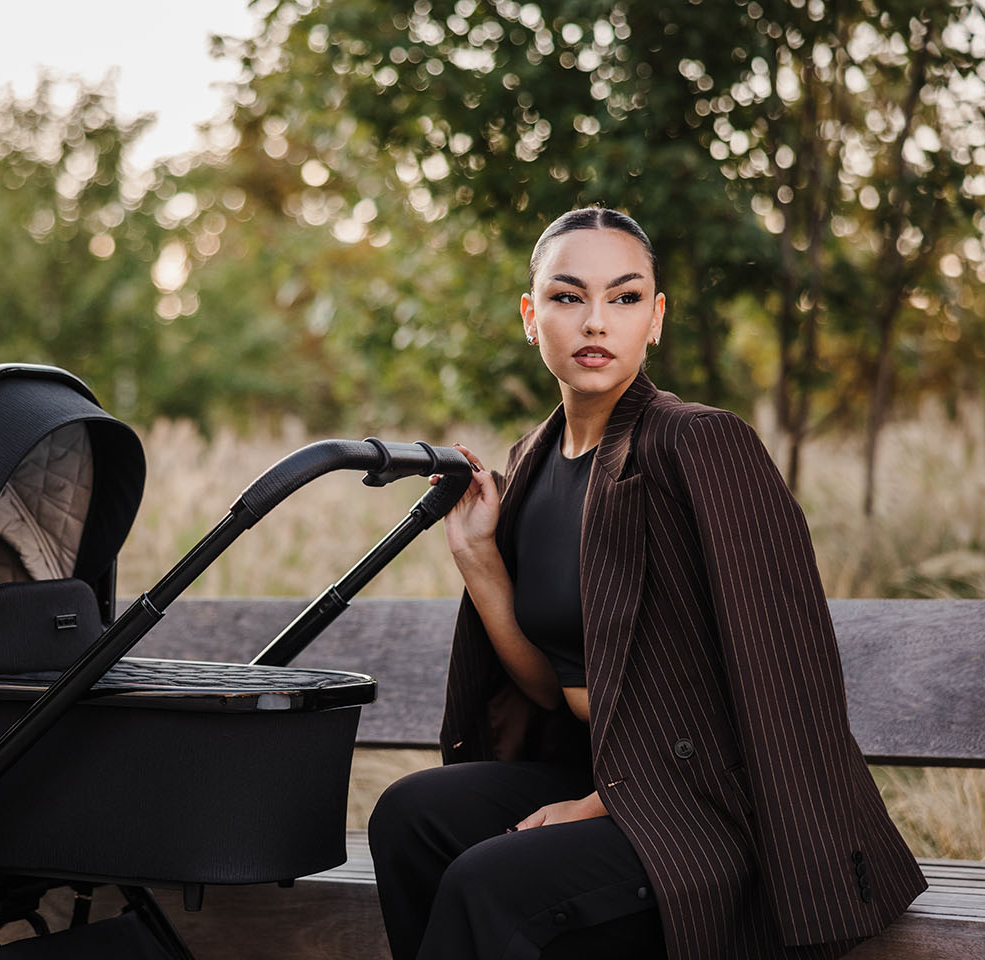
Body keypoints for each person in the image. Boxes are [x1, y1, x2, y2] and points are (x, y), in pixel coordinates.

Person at [368, 206, 928, 960]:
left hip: (711, 808)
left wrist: (602, 805)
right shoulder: (532, 460)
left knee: (489, 883)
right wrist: (481, 564)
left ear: (655, 319)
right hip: (604, 772)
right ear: (532, 318)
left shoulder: (700, 444)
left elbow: (776, 675)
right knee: (409, 816)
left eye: (625, 298)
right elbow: (551, 688)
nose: (596, 321)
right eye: (568, 298)